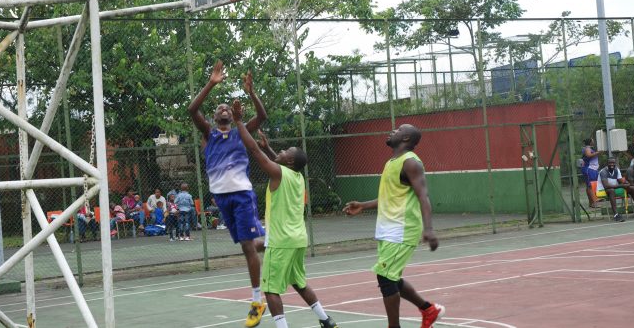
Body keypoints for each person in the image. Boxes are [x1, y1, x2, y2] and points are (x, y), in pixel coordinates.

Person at [231, 100, 338, 328]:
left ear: (288, 160)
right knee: (298, 283)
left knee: (270, 289)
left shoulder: (279, 174)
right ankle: (326, 320)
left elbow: (253, 150)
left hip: (281, 242)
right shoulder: (297, 177)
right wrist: (270, 148)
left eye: (284, 151)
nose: (279, 151)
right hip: (298, 240)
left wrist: (239, 121)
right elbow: (277, 161)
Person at [188, 60, 268, 327]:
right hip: (221, 197)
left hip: (242, 194)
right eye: (219, 108)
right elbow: (192, 109)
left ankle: (257, 300)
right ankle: (274, 239)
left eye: (227, 107)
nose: (223, 108)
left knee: (247, 246)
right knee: (251, 244)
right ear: (213, 117)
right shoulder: (208, 134)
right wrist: (211, 82)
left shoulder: (240, 133)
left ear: (233, 115)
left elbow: (263, 117)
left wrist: (252, 93)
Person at [343, 124, 444, 328]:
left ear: (406, 138)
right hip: (388, 229)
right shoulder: (392, 162)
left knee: (386, 278)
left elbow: (423, 196)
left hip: (402, 229)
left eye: (398, 130)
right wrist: (363, 205)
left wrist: (429, 229)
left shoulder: (411, 163)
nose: (392, 131)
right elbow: (389, 197)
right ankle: (428, 309)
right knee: (391, 276)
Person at [597, 157, 634, 222]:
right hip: (603, 190)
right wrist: (621, 185)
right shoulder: (603, 172)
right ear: (607, 164)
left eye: (613, 163)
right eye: (610, 163)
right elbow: (606, 186)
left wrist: (626, 183)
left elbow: (620, 180)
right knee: (611, 190)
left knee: (632, 188)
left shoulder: (616, 170)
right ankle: (616, 215)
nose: (612, 164)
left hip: (615, 188)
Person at [581, 138, 601, 208]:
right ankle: (594, 202)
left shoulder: (589, 148)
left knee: (589, 186)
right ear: (590, 142)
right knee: (590, 186)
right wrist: (598, 152)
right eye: (593, 140)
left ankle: (591, 202)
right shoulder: (587, 148)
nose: (594, 141)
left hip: (592, 169)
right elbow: (588, 155)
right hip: (589, 169)